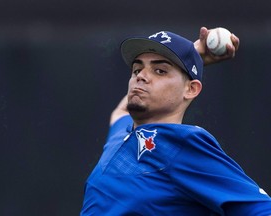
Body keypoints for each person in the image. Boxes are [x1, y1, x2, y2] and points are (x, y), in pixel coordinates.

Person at [80, 27, 271, 215]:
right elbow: (119, 112)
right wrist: (195, 55)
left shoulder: (182, 142)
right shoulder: (122, 134)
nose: (142, 77)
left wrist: (191, 60)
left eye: (160, 71)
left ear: (191, 89)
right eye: (137, 69)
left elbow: (261, 209)